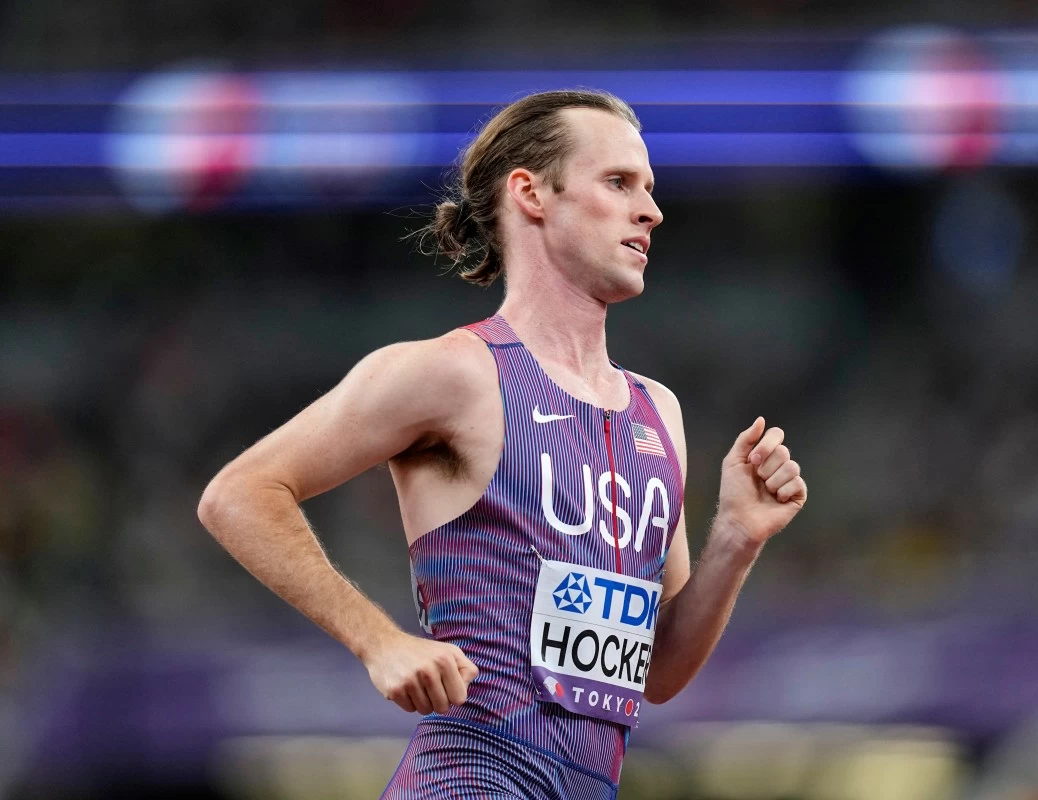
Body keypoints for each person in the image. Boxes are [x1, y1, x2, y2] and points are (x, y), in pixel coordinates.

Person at [197, 89, 807, 800]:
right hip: (471, 778)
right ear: (531, 194)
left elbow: (658, 673)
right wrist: (378, 639)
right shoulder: (452, 374)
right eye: (618, 183)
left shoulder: (657, 412)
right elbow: (237, 495)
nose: (651, 210)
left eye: (650, 189)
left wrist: (735, 537)